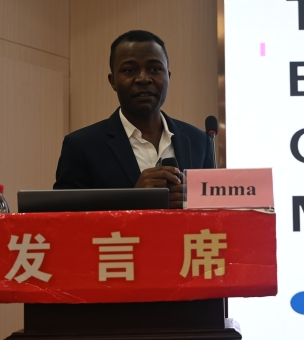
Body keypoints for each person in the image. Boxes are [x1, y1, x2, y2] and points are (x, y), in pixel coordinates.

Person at [53, 30, 213, 208]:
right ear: (113, 81)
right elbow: (64, 217)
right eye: (130, 70)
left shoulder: (200, 141)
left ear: (168, 77)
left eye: (155, 69)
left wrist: (195, 201)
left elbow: (214, 211)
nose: (143, 79)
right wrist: (132, 200)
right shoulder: (81, 146)